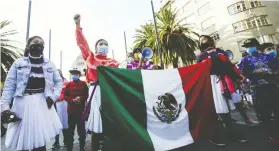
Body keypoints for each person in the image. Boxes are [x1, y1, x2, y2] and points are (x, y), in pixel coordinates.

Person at [0, 36, 63, 151]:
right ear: (28, 46)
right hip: (22, 103)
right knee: (22, 139)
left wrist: (53, 97)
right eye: (35, 42)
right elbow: (9, 86)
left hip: (42, 103)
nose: (38, 44)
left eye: (41, 43)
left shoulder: (49, 64)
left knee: (39, 141)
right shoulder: (17, 63)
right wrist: (4, 108)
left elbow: (59, 82)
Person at [73, 14, 119, 151]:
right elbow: (82, 44)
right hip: (96, 92)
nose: (103, 46)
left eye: (106, 44)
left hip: (110, 93)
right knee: (96, 126)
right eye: (101, 44)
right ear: (96, 47)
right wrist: (77, 25)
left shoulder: (114, 62)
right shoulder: (90, 58)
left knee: (110, 124)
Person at [196, 35, 247, 147]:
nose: (204, 41)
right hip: (212, 83)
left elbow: (229, 65)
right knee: (216, 111)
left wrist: (239, 75)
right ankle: (216, 136)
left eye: (205, 39)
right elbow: (200, 71)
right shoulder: (201, 56)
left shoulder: (221, 52)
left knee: (226, 110)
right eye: (201, 40)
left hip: (225, 80)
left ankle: (231, 134)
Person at [237, 38, 279, 144]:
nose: (249, 48)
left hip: (272, 87)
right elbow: (240, 74)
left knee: (276, 110)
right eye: (247, 47)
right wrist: (255, 73)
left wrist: (270, 72)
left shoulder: (269, 57)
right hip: (257, 89)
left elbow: (276, 68)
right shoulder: (244, 60)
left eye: (251, 45)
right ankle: (271, 135)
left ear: (257, 45)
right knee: (264, 114)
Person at [64, 68, 88, 151]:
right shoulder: (68, 84)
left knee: (82, 133)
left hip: (81, 112)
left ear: (79, 75)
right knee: (70, 132)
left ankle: (82, 148)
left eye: (76, 74)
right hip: (71, 112)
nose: (75, 75)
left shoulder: (83, 84)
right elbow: (65, 96)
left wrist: (80, 99)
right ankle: (69, 148)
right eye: (73, 74)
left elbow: (86, 95)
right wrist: (72, 100)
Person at [52, 69, 69, 149]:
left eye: (58, 74)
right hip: (56, 104)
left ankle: (66, 141)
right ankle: (56, 142)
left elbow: (68, 93)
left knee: (65, 123)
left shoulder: (66, 82)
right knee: (56, 124)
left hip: (64, 104)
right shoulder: (53, 83)